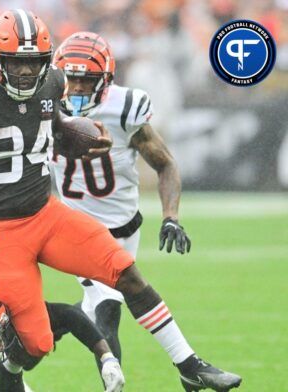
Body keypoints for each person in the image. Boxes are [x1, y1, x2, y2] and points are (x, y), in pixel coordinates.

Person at [0, 9, 241, 391]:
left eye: (33, 63)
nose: (25, 72)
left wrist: (76, 139)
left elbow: (54, 131)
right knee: (36, 341)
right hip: (1, 233)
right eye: (16, 63)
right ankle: (12, 376)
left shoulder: (52, 83)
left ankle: (189, 366)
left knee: (126, 273)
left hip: (47, 216)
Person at [50, 30, 192, 373]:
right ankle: (186, 366)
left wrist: (170, 216)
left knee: (93, 311)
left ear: (106, 80)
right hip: (78, 229)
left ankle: (27, 343)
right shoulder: (44, 105)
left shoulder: (126, 107)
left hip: (126, 228)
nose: (79, 87)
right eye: (71, 78)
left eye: (87, 80)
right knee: (108, 314)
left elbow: (165, 163)